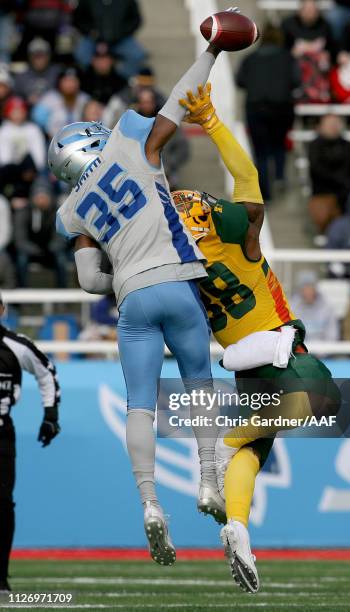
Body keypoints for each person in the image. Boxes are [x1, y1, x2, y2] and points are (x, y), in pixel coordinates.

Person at [48, 41, 227, 567]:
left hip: (133, 299)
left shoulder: (73, 208)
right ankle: (209, 480)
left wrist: (124, 274)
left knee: (139, 405)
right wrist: (212, 50)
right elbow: (179, 100)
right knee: (199, 383)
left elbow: (87, 280)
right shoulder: (128, 140)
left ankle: (150, 504)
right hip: (177, 281)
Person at [175, 83, 340, 593]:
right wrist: (211, 121)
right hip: (276, 346)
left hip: (243, 365)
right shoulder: (243, 241)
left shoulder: (180, 269)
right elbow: (248, 179)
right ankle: (228, 442)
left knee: (254, 447)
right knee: (325, 397)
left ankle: (239, 527)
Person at [0, 292, 61, 593]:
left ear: (2, 310)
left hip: (1, 434)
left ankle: (0, 577)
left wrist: (50, 414)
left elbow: (46, 372)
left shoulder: (15, 345)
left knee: (2, 504)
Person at [236, 22, 300, 201]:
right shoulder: (288, 58)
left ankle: (266, 192)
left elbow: (240, 81)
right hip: (282, 108)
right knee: (279, 145)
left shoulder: (250, 58)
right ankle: (279, 176)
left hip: (256, 109)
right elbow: (297, 81)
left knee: (261, 152)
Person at [308, 113, 350, 233]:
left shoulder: (347, 145)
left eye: (336, 123)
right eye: (330, 124)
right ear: (320, 126)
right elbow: (318, 170)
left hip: (348, 192)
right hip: (324, 193)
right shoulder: (315, 145)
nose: (333, 126)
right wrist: (340, 180)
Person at [14, 177, 67, 288]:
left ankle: (62, 295)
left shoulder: (57, 213)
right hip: (31, 251)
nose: (41, 200)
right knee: (21, 259)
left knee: (61, 259)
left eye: (44, 196)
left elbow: (61, 237)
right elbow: (20, 239)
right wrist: (35, 250)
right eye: (38, 197)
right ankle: (21, 294)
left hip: (51, 251)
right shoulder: (24, 212)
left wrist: (51, 248)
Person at [73, 0, 146, 79]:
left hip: (121, 40)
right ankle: (87, 81)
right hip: (92, 40)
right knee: (81, 55)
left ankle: (123, 81)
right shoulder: (86, 1)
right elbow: (78, 19)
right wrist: (92, 33)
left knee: (137, 55)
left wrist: (119, 34)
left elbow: (136, 20)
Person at [282, 0, 334, 103]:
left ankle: (320, 92)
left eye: (313, 10)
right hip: (296, 67)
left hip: (319, 69)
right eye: (307, 10)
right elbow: (282, 50)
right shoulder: (288, 25)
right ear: (300, 11)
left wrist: (326, 55)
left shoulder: (325, 26)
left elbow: (332, 48)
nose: (310, 13)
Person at [32, 67, 89, 138]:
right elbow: (38, 121)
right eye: (66, 81)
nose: (70, 84)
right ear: (59, 82)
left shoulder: (85, 99)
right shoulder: (49, 99)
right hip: (54, 143)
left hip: (82, 143)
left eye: (73, 81)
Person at [290, 270, 339, 345]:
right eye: (305, 287)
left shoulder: (327, 307)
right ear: (300, 290)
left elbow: (332, 335)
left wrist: (322, 352)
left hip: (324, 353)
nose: (308, 291)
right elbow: (290, 336)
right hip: (300, 354)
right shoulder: (292, 307)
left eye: (311, 287)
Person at [14, 38, 60, 108]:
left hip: (53, 112)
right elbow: (15, 100)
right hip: (27, 113)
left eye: (42, 56)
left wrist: (46, 100)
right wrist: (27, 100)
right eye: (36, 56)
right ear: (30, 57)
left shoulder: (57, 73)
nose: (39, 60)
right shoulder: (21, 77)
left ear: (48, 56)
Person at [0, 196, 15, 288]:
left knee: (4, 258)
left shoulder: (1, 202)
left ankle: (9, 298)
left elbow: (5, 231)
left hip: (0, 248)